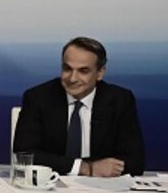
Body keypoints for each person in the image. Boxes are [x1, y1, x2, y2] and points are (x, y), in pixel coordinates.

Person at [13, 36, 145, 176]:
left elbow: (135, 162)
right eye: (67, 69)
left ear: (100, 73)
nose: (72, 78)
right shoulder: (38, 97)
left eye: (83, 71)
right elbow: (24, 154)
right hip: (51, 183)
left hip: (102, 186)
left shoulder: (120, 100)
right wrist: (86, 168)